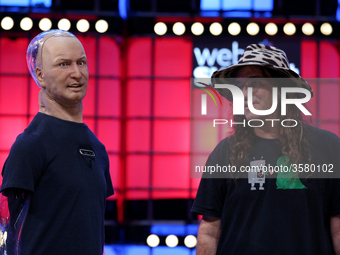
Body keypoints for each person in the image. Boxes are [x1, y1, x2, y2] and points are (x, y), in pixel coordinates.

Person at [191, 44, 340, 254]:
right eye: (240, 86)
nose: (244, 93)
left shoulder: (328, 146)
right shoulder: (225, 153)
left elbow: (337, 229)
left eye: (255, 83)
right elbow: (209, 232)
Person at [0, 29, 114, 255]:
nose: (77, 73)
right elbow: (6, 231)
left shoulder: (97, 148)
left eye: (81, 63)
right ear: (40, 75)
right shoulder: (31, 145)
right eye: (64, 64)